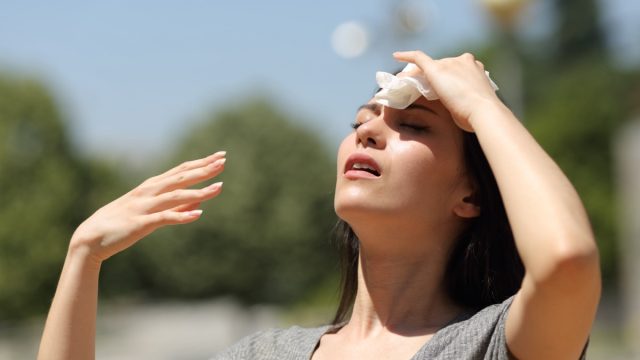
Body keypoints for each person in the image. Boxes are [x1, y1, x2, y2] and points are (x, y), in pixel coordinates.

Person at [38, 51, 601, 360]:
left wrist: (479, 104)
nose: (368, 134)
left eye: (412, 124)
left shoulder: (492, 344)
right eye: (359, 121)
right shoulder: (263, 356)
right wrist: (83, 258)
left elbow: (565, 262)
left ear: (471, 194)